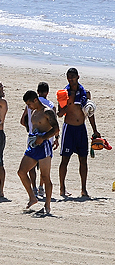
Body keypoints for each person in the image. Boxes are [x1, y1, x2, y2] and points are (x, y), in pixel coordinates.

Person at [57, 67, 100, 197]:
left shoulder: (85, 94)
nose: (70, 79)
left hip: (81, 129)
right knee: (65, 160)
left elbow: (90, 113)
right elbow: (60, 114)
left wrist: (95, 130)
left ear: (78, 77)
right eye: (68, 77)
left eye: (73, 76)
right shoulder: (64, 93)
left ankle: (83, 189)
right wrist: (67, 102)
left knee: (83, 160)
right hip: (69, 129)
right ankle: (62, 188)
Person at [18, 90, 60, 215]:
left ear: (35, 100)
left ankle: (47, 205)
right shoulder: (34, 112)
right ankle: (32, 197)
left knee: (45, 177)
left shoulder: (47, 111)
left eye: (29, 104)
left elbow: (56, 128)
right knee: (21, 172)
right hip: (34, 145)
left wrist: (44, 137)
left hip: (44, 146)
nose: (28, 107)